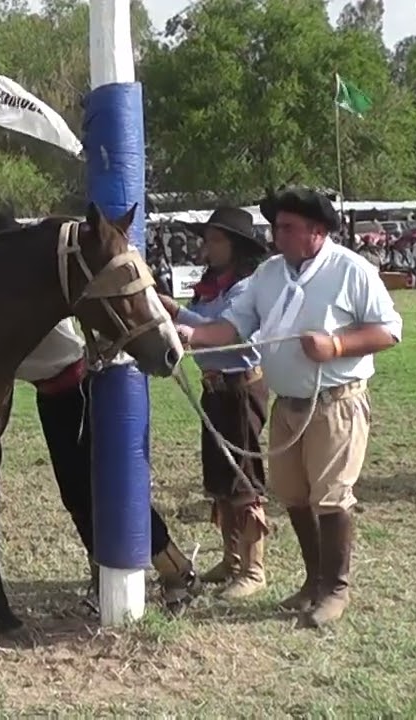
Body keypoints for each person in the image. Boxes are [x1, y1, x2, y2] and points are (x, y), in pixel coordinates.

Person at [177, 188, 403, 628]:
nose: (276, 235)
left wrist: (337, 345)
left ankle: (335, 589)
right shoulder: (268, 275)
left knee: (331, 497)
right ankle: (313, 582)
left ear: (316, 231)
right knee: (295, 496)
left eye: (286, 227)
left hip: (337, 402)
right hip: (288, 404)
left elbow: (390, 330)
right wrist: (191, 335)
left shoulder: (351, 269)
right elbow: (233, 327)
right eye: (276, 226)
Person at [0, 212, 198, 614]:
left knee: (103, 490)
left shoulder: (23, 295)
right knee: (77, 494)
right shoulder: (8, 294)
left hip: (77, 392)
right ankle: (106, 575)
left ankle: (176, 569)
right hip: (53, 396)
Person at [157, 207, 270, 600]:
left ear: (235, 246)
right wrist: (177, 312)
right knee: (221, 478)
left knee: (243, 476)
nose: (207, 245)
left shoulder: (246, 289)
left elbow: (222, 331)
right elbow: (205, 324)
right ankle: (232, 560)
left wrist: (180, 317)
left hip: (240, 388)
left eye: (215, 239)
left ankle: (254, 569)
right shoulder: (212, 286)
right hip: (216, 389)